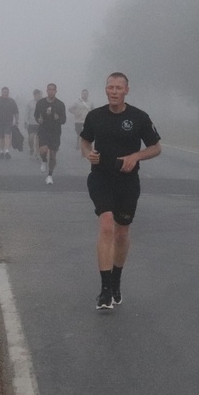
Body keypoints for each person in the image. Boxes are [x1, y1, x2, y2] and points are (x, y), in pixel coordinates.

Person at [79, 72, 162, 310]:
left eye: (118, 88)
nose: (113, 91)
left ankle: (116, 280)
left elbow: (156, 148)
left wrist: (136, 156)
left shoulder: (139, 117)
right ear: (105, 89)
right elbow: (85, 141)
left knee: (121, 234)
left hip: (127, 182)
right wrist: (88, 154)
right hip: (101, 178)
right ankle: (105, 290)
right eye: (110, 87)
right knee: (106, 225)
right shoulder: (95, 116)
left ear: (126, 90)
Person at [34, 83, 66, 185]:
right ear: (47, 91)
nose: (51, 91)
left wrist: (58, 118)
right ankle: (44, 160)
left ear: (56, 91)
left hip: (55, 132)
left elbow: (64, 120)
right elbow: (36, 115)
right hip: (43, 130)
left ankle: (49, 176)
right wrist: (38, 120)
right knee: (43, 150)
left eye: (53, 90)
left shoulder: (60, 104)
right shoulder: (41, 103)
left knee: (52, 155)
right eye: (49, 89)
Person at [25, 89, 43, 158]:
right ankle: (31, 148)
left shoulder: (44, 103)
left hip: (40, 124)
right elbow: (26, 113)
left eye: (39, 94)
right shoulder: (30, 103)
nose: (37, 96)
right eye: (36, 95)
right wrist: (26, 122)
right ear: (34, 95)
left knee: (38, 139)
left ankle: (37, 153)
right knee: (31, 138)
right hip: (32, 124)